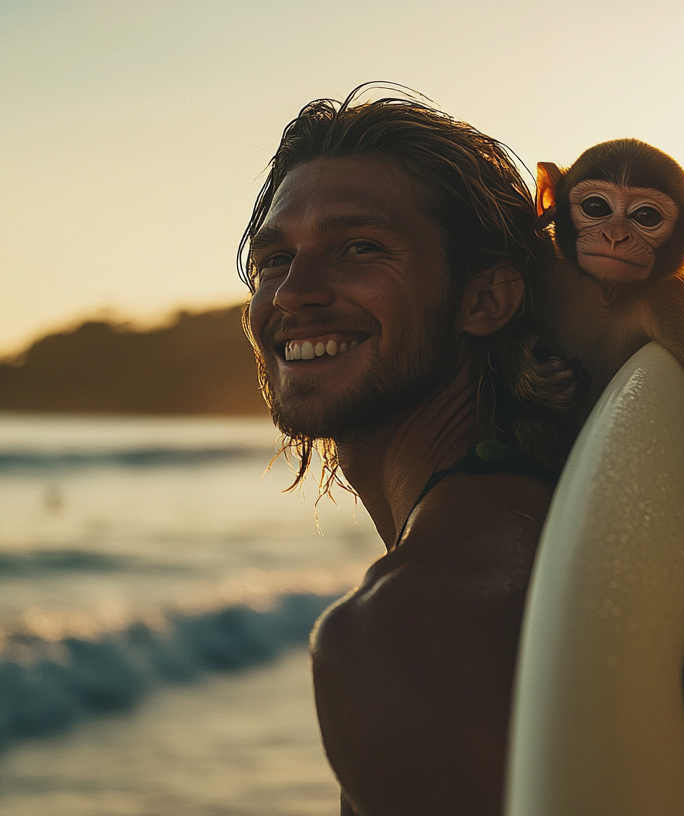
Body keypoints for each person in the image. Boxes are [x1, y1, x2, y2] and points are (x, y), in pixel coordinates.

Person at [238, 86, 578, 816]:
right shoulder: (561, 514)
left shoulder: (405, 630)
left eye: (358, 248)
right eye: (273, 259)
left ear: (484, 300)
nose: (293, 293)